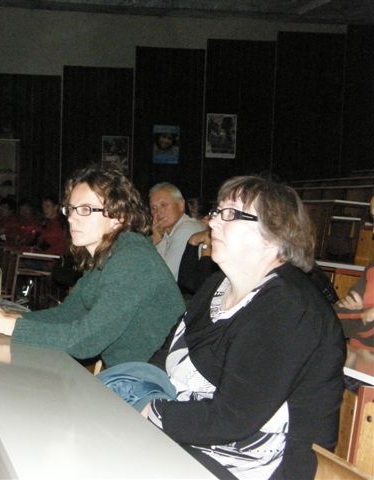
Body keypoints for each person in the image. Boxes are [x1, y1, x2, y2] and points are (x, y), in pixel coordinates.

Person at [98, 175, 346, 480]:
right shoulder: (217, 284)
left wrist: (147, 410)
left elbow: (233, 418)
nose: (212, 223)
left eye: (230, 214)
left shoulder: (289, 307)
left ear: (274, 233)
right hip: (187, 438)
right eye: (217, 212)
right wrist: (131, 390)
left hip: (251, 463)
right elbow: (164, 357)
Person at [0, 167, 185, 368]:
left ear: (118, 216)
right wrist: (8, 317)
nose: (72, 219)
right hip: (130, 376)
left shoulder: (133, 259)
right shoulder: (109, 255)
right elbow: (66, 315)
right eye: (71, 209)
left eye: (86, 210)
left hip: (155, 387)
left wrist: (5, 325)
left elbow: (85, 341)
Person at [335, 195, 374, 350]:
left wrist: (359, 316)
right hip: (357, 363)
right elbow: (335, 314)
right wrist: (363, 317)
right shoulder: (372, 268)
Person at [149, 183, 205, 280]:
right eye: (153, 208)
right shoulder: (166, 232)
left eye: (164, 205)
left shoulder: (187, 229)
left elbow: (165, 277)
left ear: (181, 205)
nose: (158, 212)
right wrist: (157, 240)